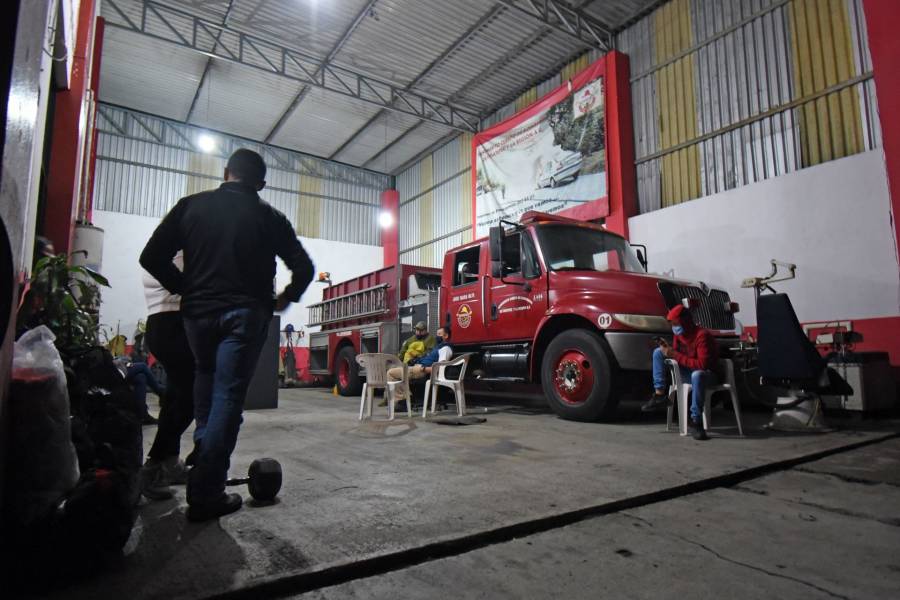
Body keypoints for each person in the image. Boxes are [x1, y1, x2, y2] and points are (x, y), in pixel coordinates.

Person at [140, 148, 315, 522]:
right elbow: (303, 266)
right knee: (227, 397)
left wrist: (186, 287)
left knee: (205, 387)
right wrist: (285, 297)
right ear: (261, 184)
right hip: (245, 314)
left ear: (225, 173)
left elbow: (150, 256)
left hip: (198, 316)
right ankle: (206, 489)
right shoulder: (269, 216)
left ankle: (204, 460)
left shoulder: (191, 206)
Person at [139, 253, 196, 501]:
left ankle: (171, 463)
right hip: (175, 323)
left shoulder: (164, 248)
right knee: (189, 398)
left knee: (175, 396)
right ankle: (153, 466)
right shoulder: (179, 251)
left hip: (160, 323)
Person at [642, 304, 718, 440]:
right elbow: (679, 355)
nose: (674, 327)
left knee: (697, 374)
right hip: (688, 371)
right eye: (672, 324)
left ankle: (696, 421)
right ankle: (659, 394)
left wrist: (674, 354)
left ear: (685, 321)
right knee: (658, 352)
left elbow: (702, 365)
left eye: (676, 323)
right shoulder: (679, 334)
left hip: (707, 375)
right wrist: (668, 349)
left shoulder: (702, 336)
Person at [387, 327, 452, 408]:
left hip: (422, 369)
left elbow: (440, 368)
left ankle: (404, 402)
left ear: (446, 336)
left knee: (391, 373)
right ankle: (405, 399)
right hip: (419, 366)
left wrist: (423, 368)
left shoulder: (445, 349)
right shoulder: (439, 347)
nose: (437, 336)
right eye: (437, 334)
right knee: (394, 369)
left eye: (439, 334)